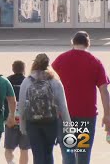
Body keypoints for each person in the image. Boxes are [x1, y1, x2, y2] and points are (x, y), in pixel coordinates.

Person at [52, 31, 110, 164]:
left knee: (68, 152)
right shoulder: (95, 62)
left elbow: (51, 84)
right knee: (83, 154)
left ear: (72, 42)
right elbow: (104, 91)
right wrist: (107, 115)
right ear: (88, 43)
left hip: (66, 115)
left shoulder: (61, 60)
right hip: (87, 116)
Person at [18, 53, 71, 164]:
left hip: (32, 123)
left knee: (37, 154)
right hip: (50, 122)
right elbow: (63, 106)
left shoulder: (27, 81)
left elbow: (22, 106)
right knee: (48, 152)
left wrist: (22, 127)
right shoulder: (55, 82)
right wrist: (68, 126)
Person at [4, 60, 30, 164]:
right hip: (25, 119)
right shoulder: (28, 81)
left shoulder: (7, 81)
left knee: (8, 148)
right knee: (24, 149)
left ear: (13, 69)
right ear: (24, 69)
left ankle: (11, 162)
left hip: (11, 118)